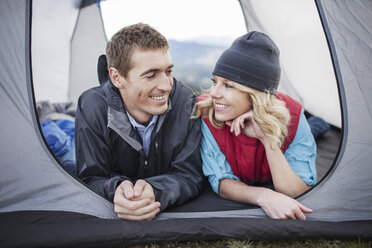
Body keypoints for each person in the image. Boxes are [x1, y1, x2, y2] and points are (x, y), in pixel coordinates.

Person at [76, 23, 203, 221]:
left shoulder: (186, 103)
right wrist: (116, 189)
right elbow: (90, 177)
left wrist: (156, 191)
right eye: (151, 75)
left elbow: (190, 175)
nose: (165, 86)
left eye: (168, 72)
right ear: (117, 78)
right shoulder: (92, 106)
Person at [192, 31, 317, 220]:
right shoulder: (207, 113)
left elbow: (296, 191)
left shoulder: (294, 116)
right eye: (214, 81)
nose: (214, 93)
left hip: (281, 123)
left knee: (317, 128)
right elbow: (222, 182)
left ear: (256, 95)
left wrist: (267, 138)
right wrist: (263, 196)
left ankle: (318, 124)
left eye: (228, 85)